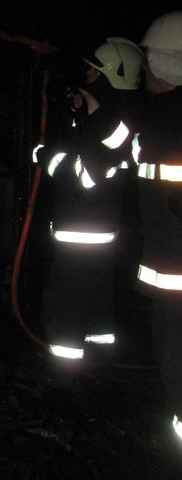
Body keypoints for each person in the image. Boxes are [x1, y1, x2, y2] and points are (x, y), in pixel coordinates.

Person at [34, 37, 145, 370]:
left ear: (110, 77)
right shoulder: (110, 114)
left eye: (94, 72)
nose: (87, 75)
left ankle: (64, 375)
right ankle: (98, 365)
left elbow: (85, 176)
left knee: (66, 302)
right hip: (97, 232)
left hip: (81, 233)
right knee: (96, 301)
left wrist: (47, 157)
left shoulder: (114, 121)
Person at [133, 11, 182, 478]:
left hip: (177, 271)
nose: (145, 68)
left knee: (176, 359)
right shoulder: (161, 119)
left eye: (150, 59)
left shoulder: (169, 120)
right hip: (170, 263)